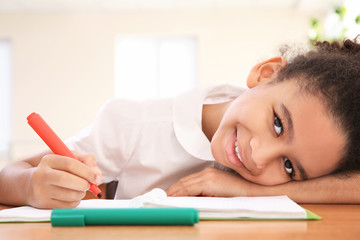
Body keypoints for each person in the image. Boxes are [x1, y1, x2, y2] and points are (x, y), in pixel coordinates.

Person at [0, 38, 359, 209]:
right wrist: (32, 185)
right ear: (266, 74)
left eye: (288, 166)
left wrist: (250, 191)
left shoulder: (313, 151)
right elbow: (7, 177)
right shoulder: (135, 125)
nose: (259, 155)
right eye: (279, 124)